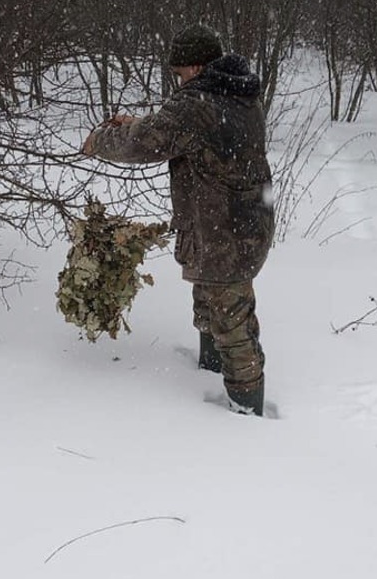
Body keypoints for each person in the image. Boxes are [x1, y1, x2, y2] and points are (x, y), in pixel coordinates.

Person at [82, 24, 274, 416]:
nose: (178, 78)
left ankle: (247, 410)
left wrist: (100, 141)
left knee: (232, 322)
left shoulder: (198, 105)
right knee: (213, 301)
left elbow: (145, 143)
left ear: (197, 66)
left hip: (224, 229)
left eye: (181, 70)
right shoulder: (239, 95)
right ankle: (210, 370)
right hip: (242, 221)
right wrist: (140, 121)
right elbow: (185, 131)